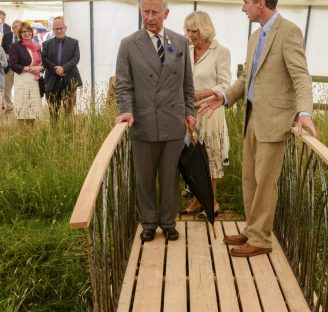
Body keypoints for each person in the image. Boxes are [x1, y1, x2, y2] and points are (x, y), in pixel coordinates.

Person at [198, 0, 317, 257]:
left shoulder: (289, 31)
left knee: (265, 183)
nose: (243, 9)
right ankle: (252, 231)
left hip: (275, 122)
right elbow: (246, 79)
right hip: (251, 117)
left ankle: (261, 239)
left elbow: (300, 76)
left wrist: (304, 112)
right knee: (250, 179)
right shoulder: (255, 36)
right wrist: (225, 97)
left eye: (246, 3)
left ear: (260, 3)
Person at [115, 0, 196, 242]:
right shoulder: (128, 44)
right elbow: (123, 85)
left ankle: (169, 223)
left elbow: (187, 84)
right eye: (145, 12)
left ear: (166, 13)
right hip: (143, 122)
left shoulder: (180, 42)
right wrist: (126, 111)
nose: (150, 17)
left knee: (171, 177)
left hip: (173, 121)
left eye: (155, 12)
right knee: (145, 177)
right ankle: (149, 222)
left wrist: (189, 111)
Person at [180, 10, 231, 219]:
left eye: (195, 31)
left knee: (208, 157)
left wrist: (206, 92)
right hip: (190, 111)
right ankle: (197, 200)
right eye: (188, 30)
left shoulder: (221, 52)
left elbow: (226, 85)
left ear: (205, 30)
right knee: (191, 157)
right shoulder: (186, 50)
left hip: (210, 111)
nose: (191, 34)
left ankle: (213, 202)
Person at [42, 16, 82, 119]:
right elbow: (44, 59)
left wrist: (63, 68)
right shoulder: (46, 44)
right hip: (52, 81)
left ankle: (69, 132)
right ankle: (55, 132)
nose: (59, 31)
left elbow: (76, 58)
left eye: (61, 28)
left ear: (65, 28)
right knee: (53, 112)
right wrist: (55, 69)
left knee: (69, 112)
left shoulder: (74, 42)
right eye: (56, 29)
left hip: (69, 80)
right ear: (53, 29)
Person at [9, 22, 44, 123]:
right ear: (19, 33)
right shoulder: (15, 46)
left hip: (34, 80)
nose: (27, 33)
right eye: (24, 31)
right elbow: (13, 65)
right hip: (22, 79)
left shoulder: (37, 46)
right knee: (23, 107)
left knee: (33, 108)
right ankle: (23, 133)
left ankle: (31, 133)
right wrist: (28, 69)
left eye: (29, 31)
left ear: (32, 32)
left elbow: (43, 63)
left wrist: (40, 68)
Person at [1, 20, 22, 113]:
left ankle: (20, 107)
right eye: (14, 28)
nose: (15, 30)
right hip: (8, 67)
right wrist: (6, 55)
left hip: (19, 67)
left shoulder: (24, 36)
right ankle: (9, 108)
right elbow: (2, 49)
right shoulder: (7, 36)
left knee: (20, 88)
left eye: (17, 28)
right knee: (7, 88)